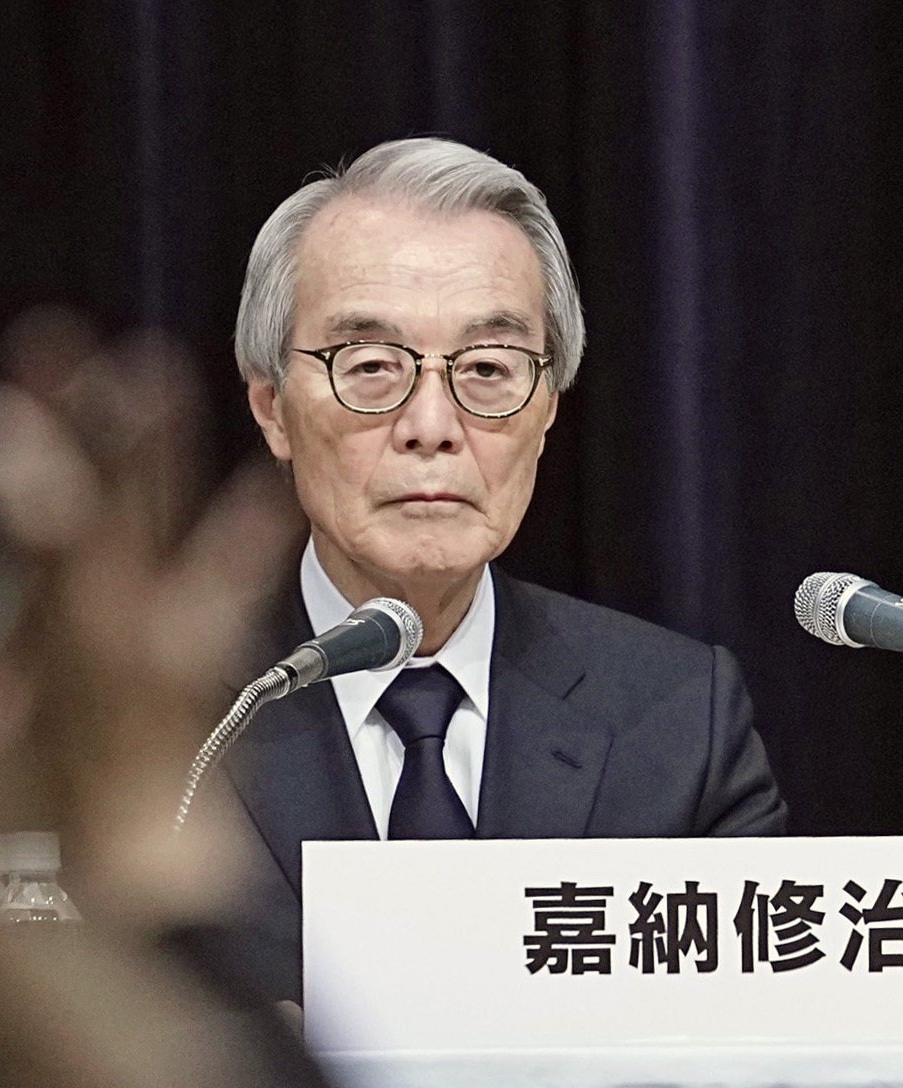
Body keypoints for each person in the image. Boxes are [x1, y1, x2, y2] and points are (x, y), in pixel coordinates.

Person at [214, 137, 785, 1006]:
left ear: (546, 408)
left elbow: (751, 1048)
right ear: (273, 411)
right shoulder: (165, 719)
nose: (432, 425)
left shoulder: (674, 721)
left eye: (487, 370)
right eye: (370, 368)